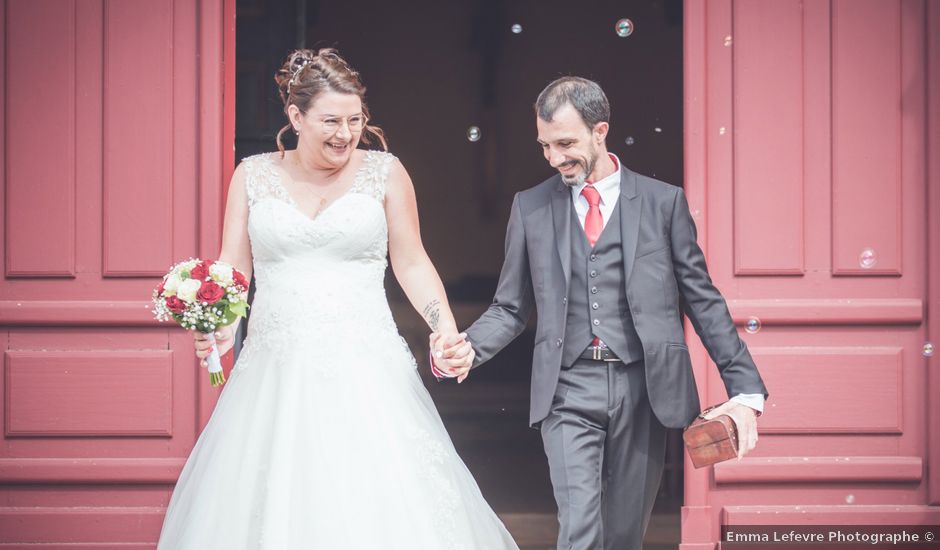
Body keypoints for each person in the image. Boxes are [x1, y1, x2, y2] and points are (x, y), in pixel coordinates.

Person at [156, 48, 518, 550]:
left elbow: (410, 260)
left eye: (355, 120)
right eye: (330, 121)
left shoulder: (386, 173)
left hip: (366, 365)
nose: (345, 134)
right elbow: (234, 269)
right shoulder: (252, 175)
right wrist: (219, 325)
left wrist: (443, 327)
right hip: (274, 371)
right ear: (295, 117)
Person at [431, 76, 769, 550]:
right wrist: (467, 347)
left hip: (645, 388)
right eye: (544, 145)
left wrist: (746, 387)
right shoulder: (529, 208)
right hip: (567, 390)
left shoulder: (662, 203)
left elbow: (701, 298)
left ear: (600, 130)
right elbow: (510, 307)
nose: (553, 157)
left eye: (565, 143)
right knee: (580, 531)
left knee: (624, 536)